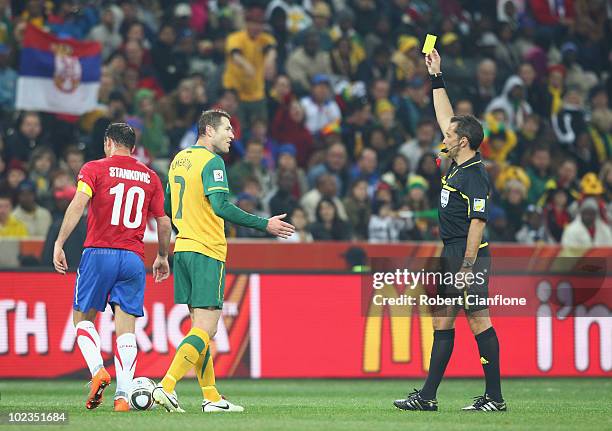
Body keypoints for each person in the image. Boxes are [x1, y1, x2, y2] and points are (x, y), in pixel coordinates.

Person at [153, 109, 294, 413]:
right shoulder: (212, 161)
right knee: (205, 329)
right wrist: (263, 224)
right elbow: (220, 205)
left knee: (200, 329)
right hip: (206, 250)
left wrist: (163, 252)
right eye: (227, 129)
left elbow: (164, 207)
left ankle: (211, 396)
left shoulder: (179, 159)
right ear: (208, 130)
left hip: (183, 248)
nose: (232, 135)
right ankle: (165, 386)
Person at [394, 49, 506, 412]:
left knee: (478, 320)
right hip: (451, 251)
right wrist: (436, 76)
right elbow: (445, 114)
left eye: (452, 132)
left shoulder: (474, 175)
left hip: (467, 254)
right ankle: (427, 397)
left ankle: (495, 398)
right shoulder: (458, 163)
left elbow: (478, 222)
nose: (446, 132)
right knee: (442, 320)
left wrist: (467, 266)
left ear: (464, 142)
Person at [52, 123, 172, 412]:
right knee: (126, 329)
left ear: (108, 142)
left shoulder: (94, 169)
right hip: (132, 257)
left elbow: (78, 204)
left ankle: (98, 371)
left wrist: (60, 242)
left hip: (98, 253)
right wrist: (163, 256)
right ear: (133, 146)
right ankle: (122, 396)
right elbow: (164, 222)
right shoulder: (150, 176)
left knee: (82, 319)